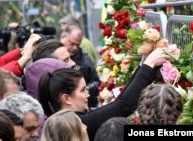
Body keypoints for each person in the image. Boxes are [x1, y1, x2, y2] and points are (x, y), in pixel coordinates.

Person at [38, 47, 170, 140]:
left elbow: (118, 103)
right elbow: (122, 106)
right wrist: (149, 65)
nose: (88, 94)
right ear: (66, 98)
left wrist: (143, 66)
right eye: (82, 90)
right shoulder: (75, 122)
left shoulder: (69, 119)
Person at [60, 24, 101, 108]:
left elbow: (97, 83)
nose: (75, 48)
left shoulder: (84, 58)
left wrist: (84, 89)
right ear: (63, 36)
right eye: (72, 43)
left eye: (78, 45)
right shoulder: (51, 55)